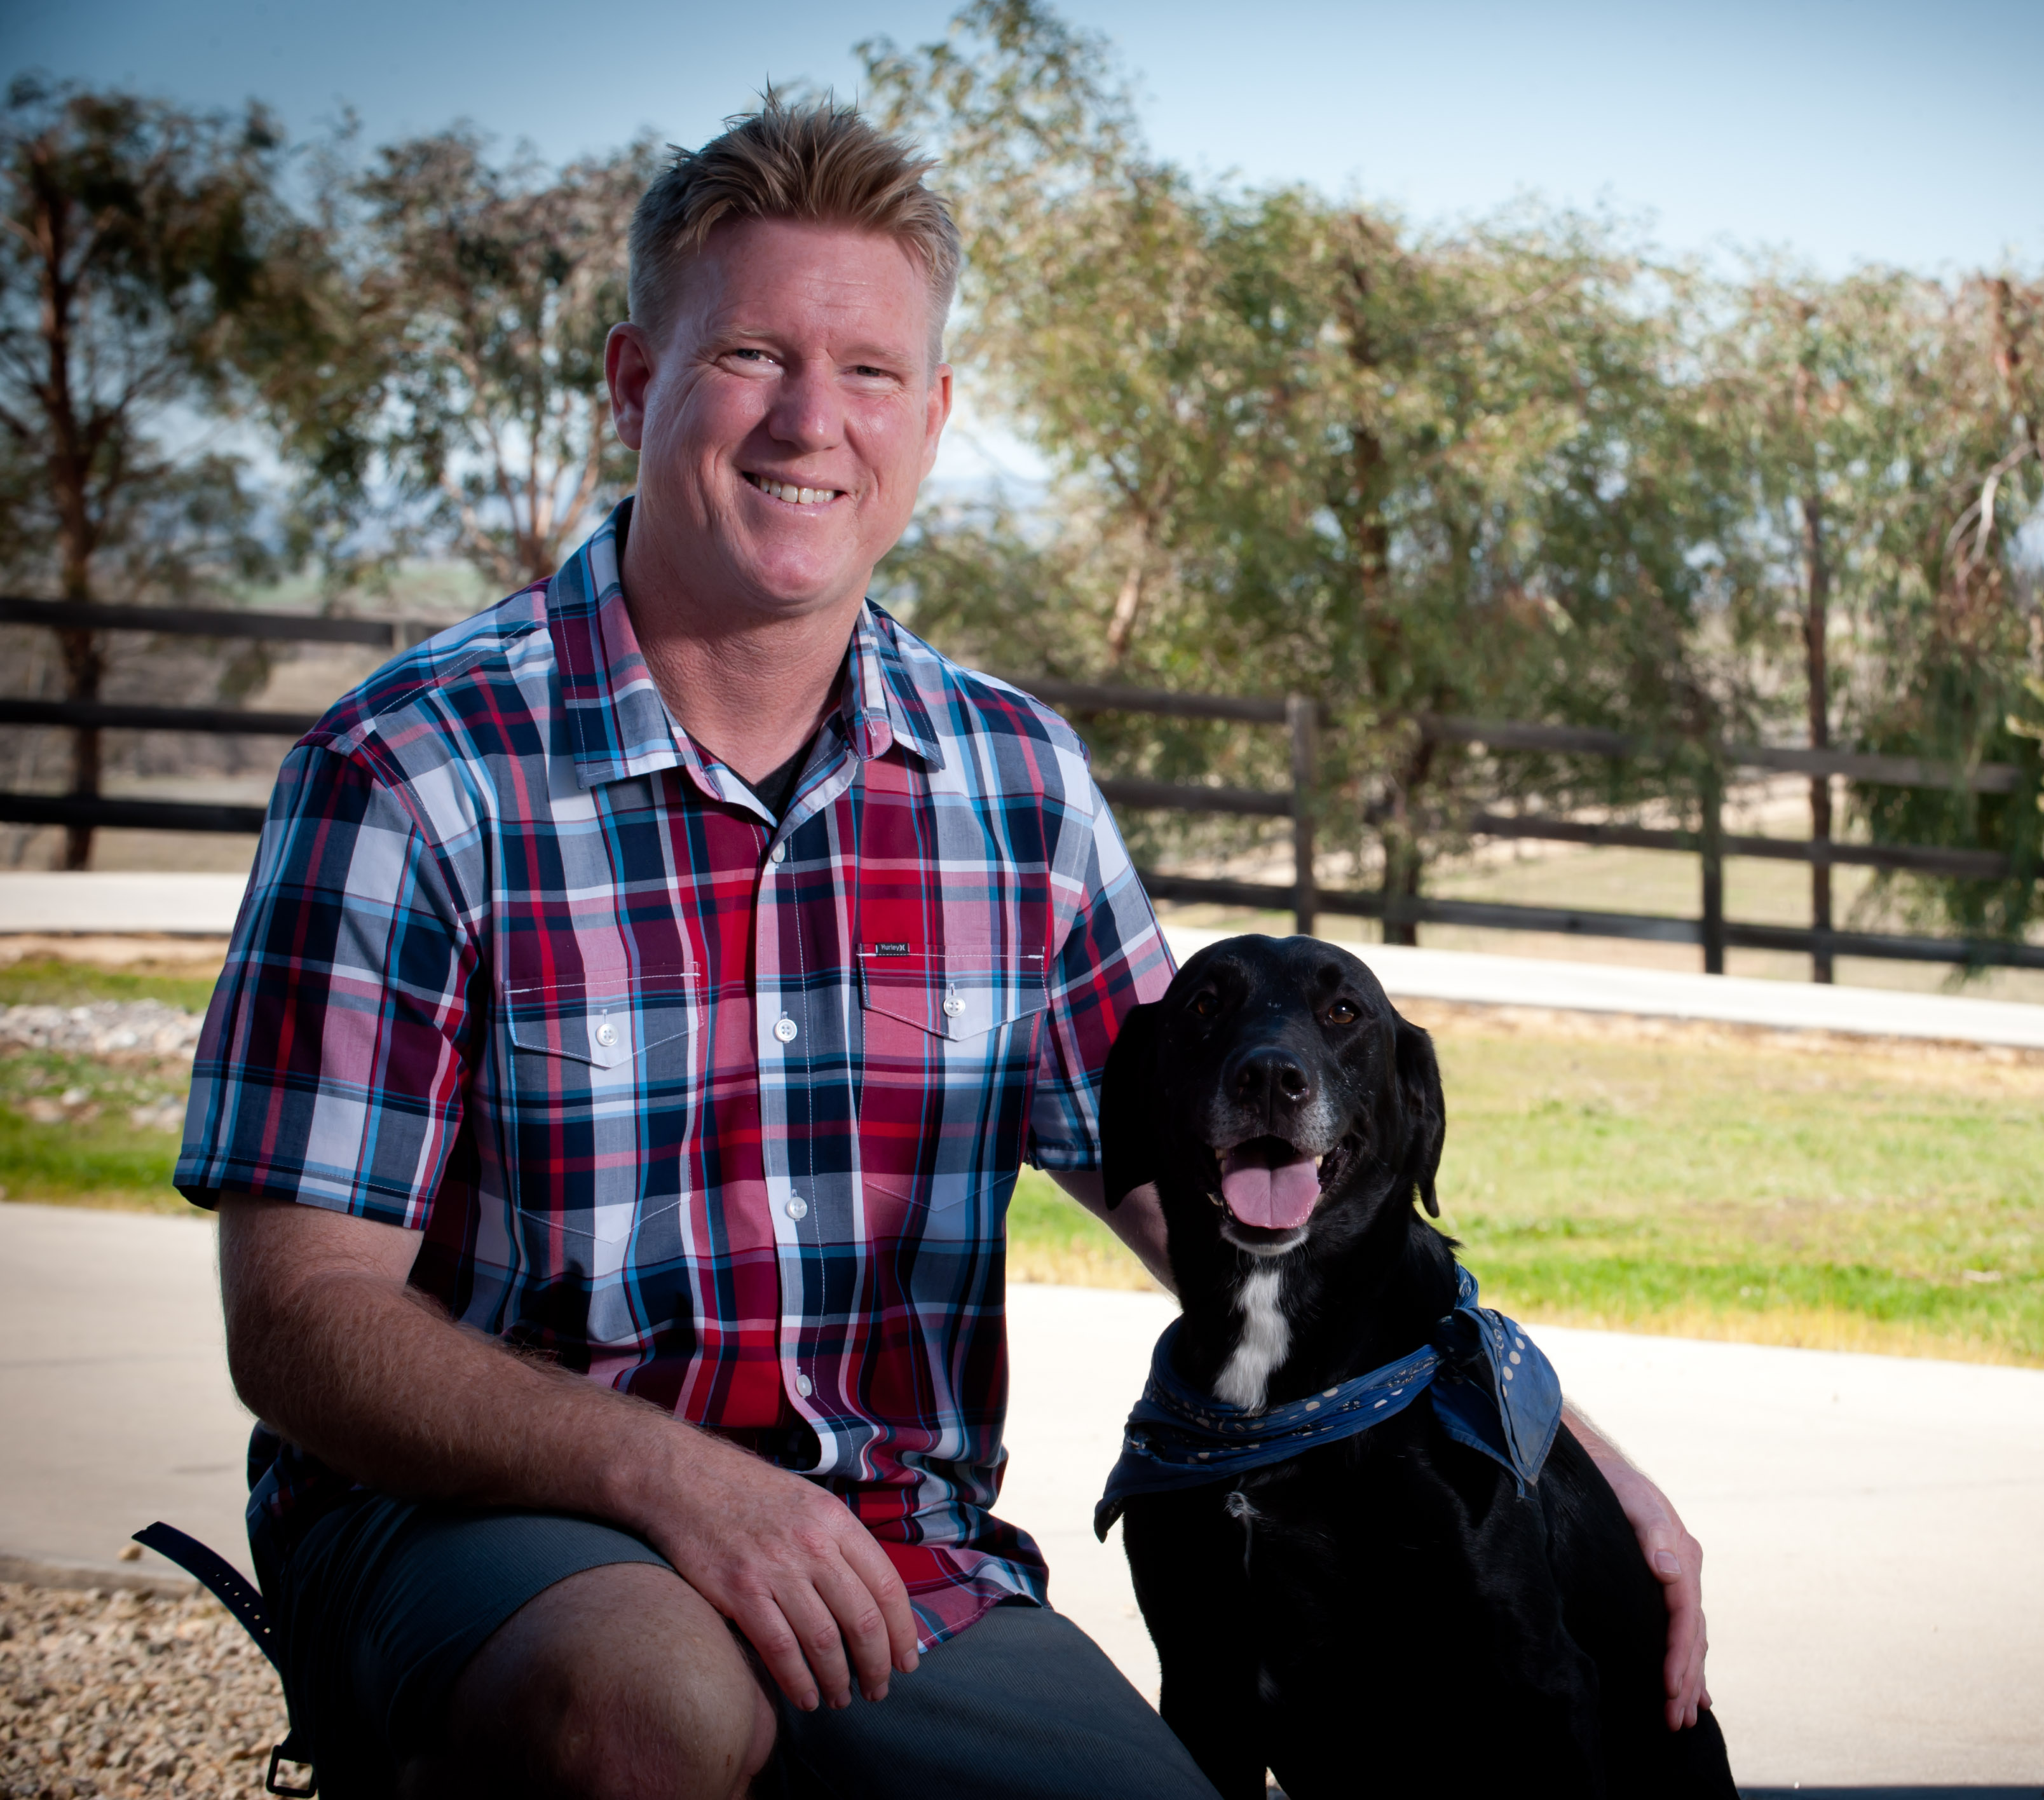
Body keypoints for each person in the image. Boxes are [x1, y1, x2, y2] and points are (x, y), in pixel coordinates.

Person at [177, 97, 1707, 1800]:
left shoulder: (1011, 781)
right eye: (752, 354)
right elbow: (302, 1322)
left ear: (934, 414)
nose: (810, 423)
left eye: (872, 373)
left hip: (888, 1561)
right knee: (652, 1708)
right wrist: (676, 1482)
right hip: (473, 1532)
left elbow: (1216, 1170)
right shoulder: (409, 770)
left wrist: (1547, 1434)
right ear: (632, 383)